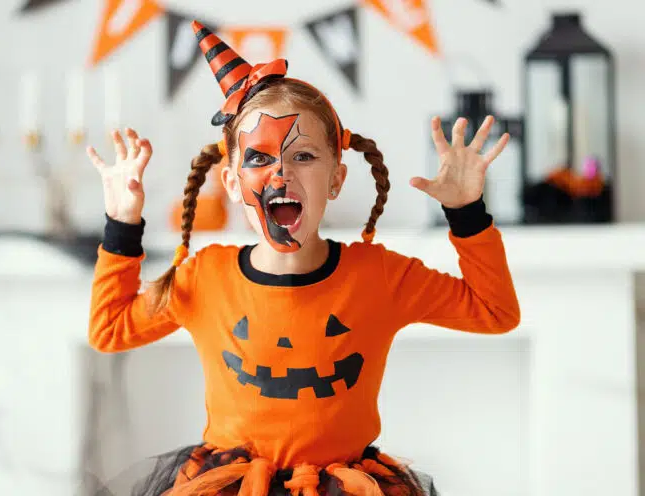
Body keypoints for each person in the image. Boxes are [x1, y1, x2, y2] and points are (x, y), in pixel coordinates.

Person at [86, 21, 520, 496]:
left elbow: (495, 312)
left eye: (304, 157)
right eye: (258, 159)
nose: (280, 174)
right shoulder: (206, 277)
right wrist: (122, 224)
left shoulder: (380, 276)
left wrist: (466, 214)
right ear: (231, 184)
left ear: (336, 178)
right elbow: (109, 329)